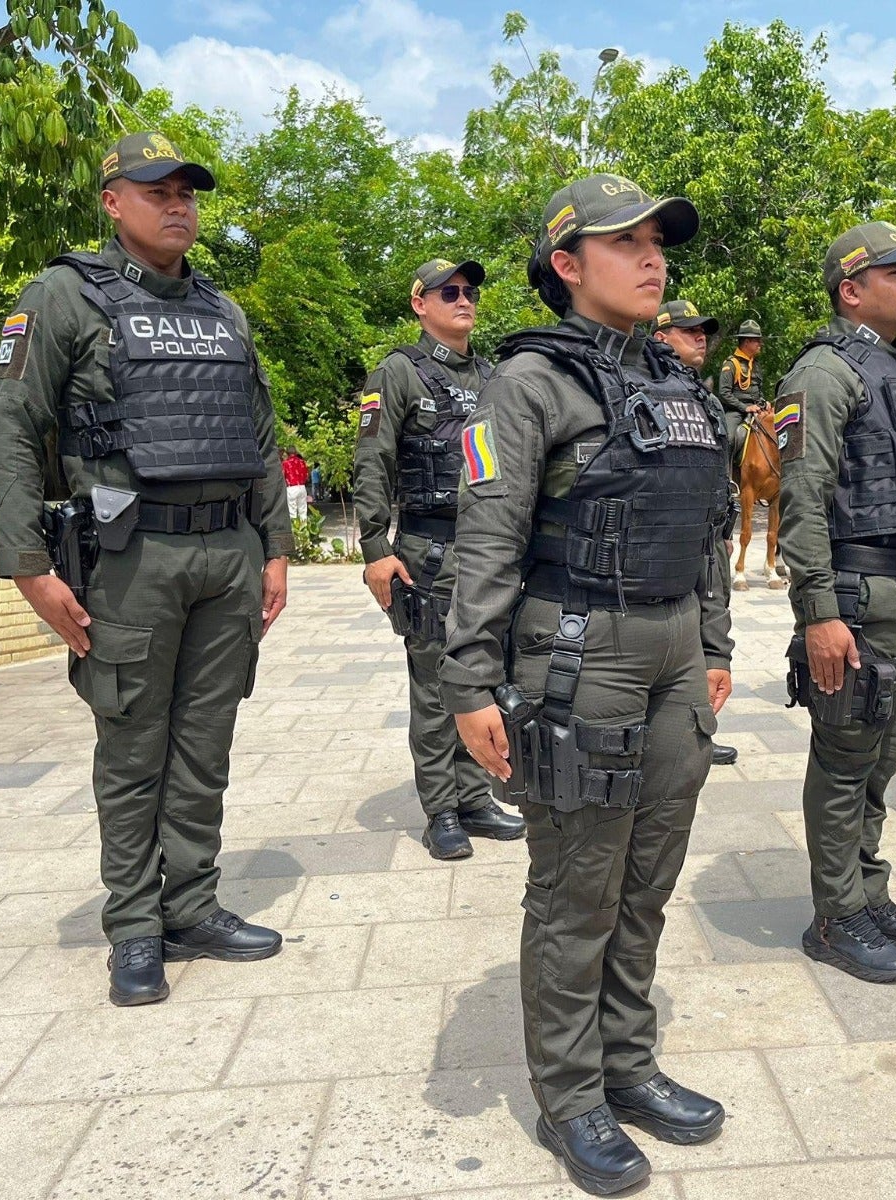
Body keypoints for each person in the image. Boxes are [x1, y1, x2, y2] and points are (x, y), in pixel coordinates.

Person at [440, 175, 733, 1195]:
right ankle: (569, 1096)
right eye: (626, 243)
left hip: (674, 648)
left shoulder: (677, 382)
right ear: (566, 265)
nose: (653, 258)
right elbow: (486, 537)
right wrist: (469, 684)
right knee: (579, 887)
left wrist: (715, 641)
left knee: (647, 876)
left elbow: (707, 525)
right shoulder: (525, 384)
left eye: (658, 242)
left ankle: (628, 1064)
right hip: (578, 651)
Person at [0, 132, 292, 1008]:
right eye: (158, 191)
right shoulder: (63, 296)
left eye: (187, 192)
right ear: (113, 202)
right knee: (131, 747)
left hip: (227, 553)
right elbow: (9, 431)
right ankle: (134, 926)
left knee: (205, 743)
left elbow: (259, 434)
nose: (178, 205)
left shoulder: (223, 310)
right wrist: (28, 565)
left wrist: (274, 547)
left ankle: (191, 904)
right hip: (130, 558)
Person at [775, 219, 896, 985]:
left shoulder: (894, 370)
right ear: (851, 290)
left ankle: (866, 892)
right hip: (858, 591)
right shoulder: (823, 373)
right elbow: (802, 502)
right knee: (846, 755)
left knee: (885, 748)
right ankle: (836, 916)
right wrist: (820, 612)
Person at [352, 257, 525, 858]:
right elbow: (371, 460)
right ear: (419, 304)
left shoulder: (494, 376)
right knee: (433, 684)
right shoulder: (398, 372)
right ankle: (442, 809)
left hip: (489, 551)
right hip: (429, 552)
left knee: (481, 672)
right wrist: (375, 548)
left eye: (469, 290)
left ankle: (475, 797)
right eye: (448, 292)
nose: (463, 299)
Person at [652, 299, 741, 768]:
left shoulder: (706, 398)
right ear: (661, 337)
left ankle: (700, 727)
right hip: (671, 540)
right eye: (689, 331)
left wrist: (725, 527)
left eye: (703, 330)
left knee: (711, 627)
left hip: (710, 537)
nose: (701, 337)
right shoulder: (648, 389)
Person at [717, 319, 766, 471]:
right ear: (746, 342)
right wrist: (745, 408)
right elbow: (724, 394)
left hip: (756, 409)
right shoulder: (731, 364)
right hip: (736, 411)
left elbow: (758, 389)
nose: (760, 344)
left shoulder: (755, 365)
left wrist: (763, 402)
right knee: (729, 439)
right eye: (756, 340)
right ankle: (725, 475)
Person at [281, 447, 310, 520]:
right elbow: (307, 476)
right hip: (302, 487)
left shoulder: (285, 463)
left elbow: (282, 476)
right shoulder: (302, 462)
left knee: (292, 510)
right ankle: (304, 526)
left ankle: (294, 525)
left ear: (287, 453)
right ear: (296, 452)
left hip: (291, 488)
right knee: (303, 510)